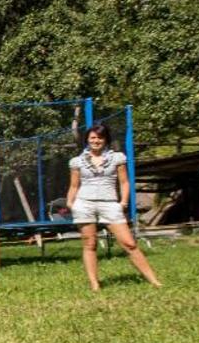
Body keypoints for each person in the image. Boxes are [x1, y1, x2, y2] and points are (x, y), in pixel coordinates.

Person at [65, 121, 161, 291]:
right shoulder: (77, 161)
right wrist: (70, 203)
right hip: (84, 204)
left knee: (129, 243)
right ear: (87, 140)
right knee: (90, 244)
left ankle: (154, 281)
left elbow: (124, 182)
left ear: (106, 140)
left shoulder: (117, 158)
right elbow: (74, 185)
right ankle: (95, 284)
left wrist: (123, 202)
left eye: (100, 138)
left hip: (110, 204)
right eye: (92, 138)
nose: (96, 141)